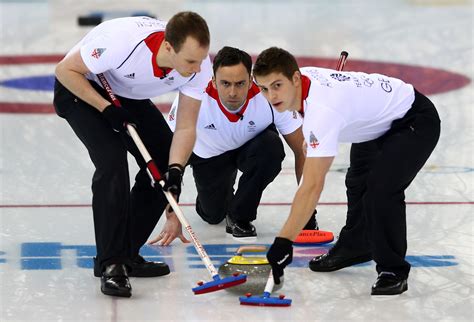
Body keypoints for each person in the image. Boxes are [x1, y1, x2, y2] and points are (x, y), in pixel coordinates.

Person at [252, 47, 440, 295]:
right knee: (357, 182)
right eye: (264, 88)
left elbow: (312, 185)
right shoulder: (303, 84)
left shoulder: (323, 111)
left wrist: (284, 241)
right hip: (373, 123)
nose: (271, 95)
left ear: (295, 78)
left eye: (277, 85)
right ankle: (356, 245)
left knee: (380, 192)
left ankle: (393, 269)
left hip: (413, 119)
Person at [53, 12, 212, 298]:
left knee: (163, 164)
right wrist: (106, 109)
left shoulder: (200, 67)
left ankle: (125, 254)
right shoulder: (121, 43)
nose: (198, 68)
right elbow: (64, 71)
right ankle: (111, 263)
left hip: (124, 94)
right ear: (167, 48)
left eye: (201, 60)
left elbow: (186, 127)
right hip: (80, 88)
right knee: (112, 161)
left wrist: (175, 171)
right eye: (190, 61)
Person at [149, 46, 319, 244]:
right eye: (225, 83)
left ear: (251, 81)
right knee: (213, 215)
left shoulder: (270, 96)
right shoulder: (194, 99)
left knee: (271, 148)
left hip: (252, 147)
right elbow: (170, 159)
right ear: (213, 80)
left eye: (240, 84)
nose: (232, 92)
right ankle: (220, 198)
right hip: (210, 156)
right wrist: (172, 215)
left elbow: (302, 151)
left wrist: (308, 209)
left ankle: (240, 216)